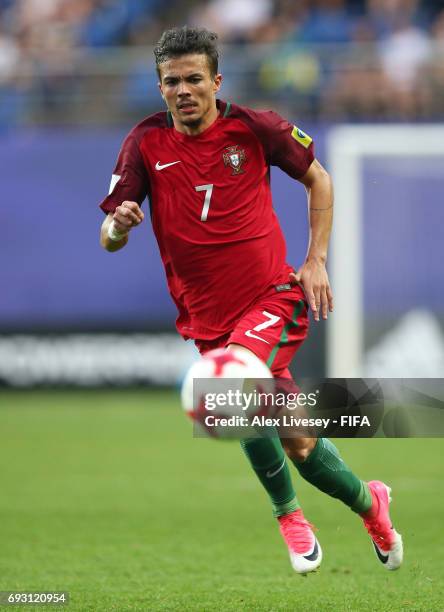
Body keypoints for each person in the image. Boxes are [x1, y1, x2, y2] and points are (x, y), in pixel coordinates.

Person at [99, 26, 403, 574]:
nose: (184, 90)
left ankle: (288, 514)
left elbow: (320, 179)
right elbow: (108, 236)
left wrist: (316, 260)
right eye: (173, 82)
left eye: (195, 79)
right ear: (159, 86)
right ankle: (372, 505)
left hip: (271, 298)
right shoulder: (145, 142)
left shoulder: (255, 128)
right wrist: (119, 227)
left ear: (217, 81)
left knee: (232, 384)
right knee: (302, 446)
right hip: (205, 317)